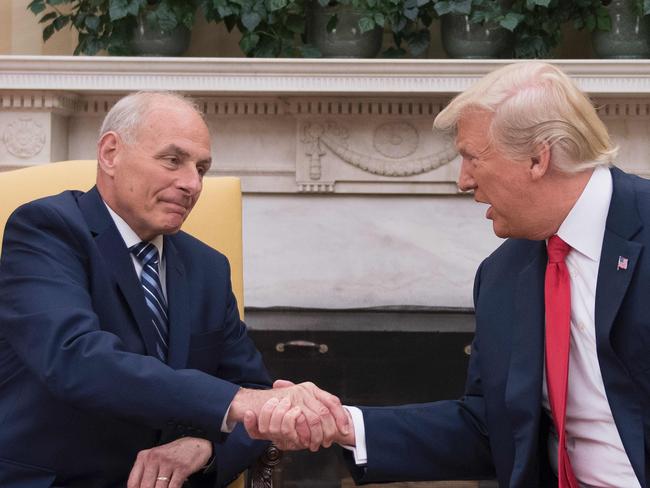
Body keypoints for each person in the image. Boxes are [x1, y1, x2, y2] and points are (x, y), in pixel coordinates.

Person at [248, 62, 650, 487]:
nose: (462, 181)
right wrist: (343, 424)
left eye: (472, 158)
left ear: (537, 157)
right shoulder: (502, 275)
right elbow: (488, 428)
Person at [0, 91, 347, 488]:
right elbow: (76, 358)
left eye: (202, 168)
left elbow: (255, 391)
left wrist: (204, 445)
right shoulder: (47, 230)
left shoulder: (208, 267)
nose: (192, 184)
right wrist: (235, 403)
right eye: (173, 160)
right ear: (110, 153)